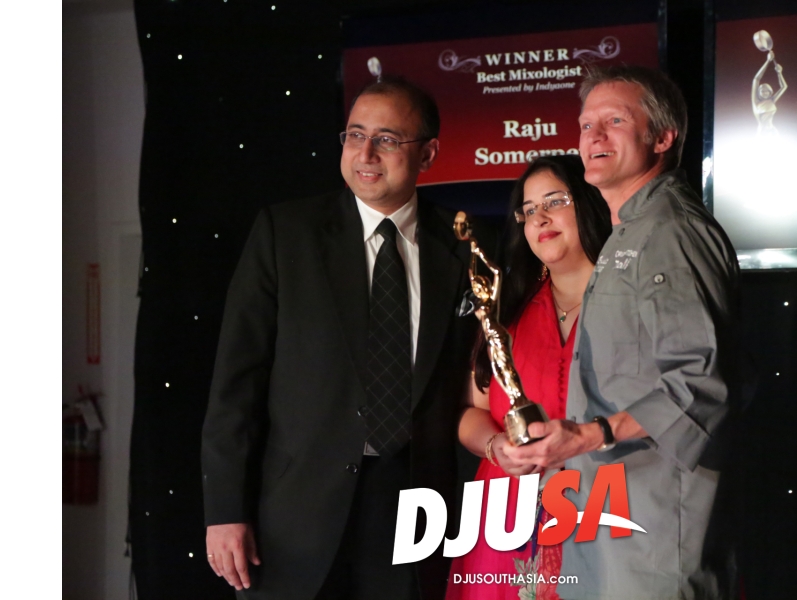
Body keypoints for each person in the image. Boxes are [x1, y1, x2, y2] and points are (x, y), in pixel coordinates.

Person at [201, 76, 478, 600]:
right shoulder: (286, 233)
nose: (365, 153)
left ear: (429, 153)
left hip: (418, 514)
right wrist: (225, 510)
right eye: (355, 135)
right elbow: (236, 382)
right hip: (293, 517)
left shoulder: (466, 245)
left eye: (387, 139)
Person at [505, 66, 742, 599]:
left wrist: (591, 434)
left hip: (653, 536)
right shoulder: (628, 233)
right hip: (609, 526)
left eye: (614, 121)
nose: (593, 136)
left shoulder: (671, 231)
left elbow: (699, 386)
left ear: (662, 137)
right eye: (586, 125)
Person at [447, 156, 612, 600]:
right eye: (529, 209)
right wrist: (495, 446)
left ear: (590, 203)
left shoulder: (631, 303)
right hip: (508, 521)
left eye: (555, 201)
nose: (540, 218)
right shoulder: (509, 310)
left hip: (608, 510)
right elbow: (470, 413)